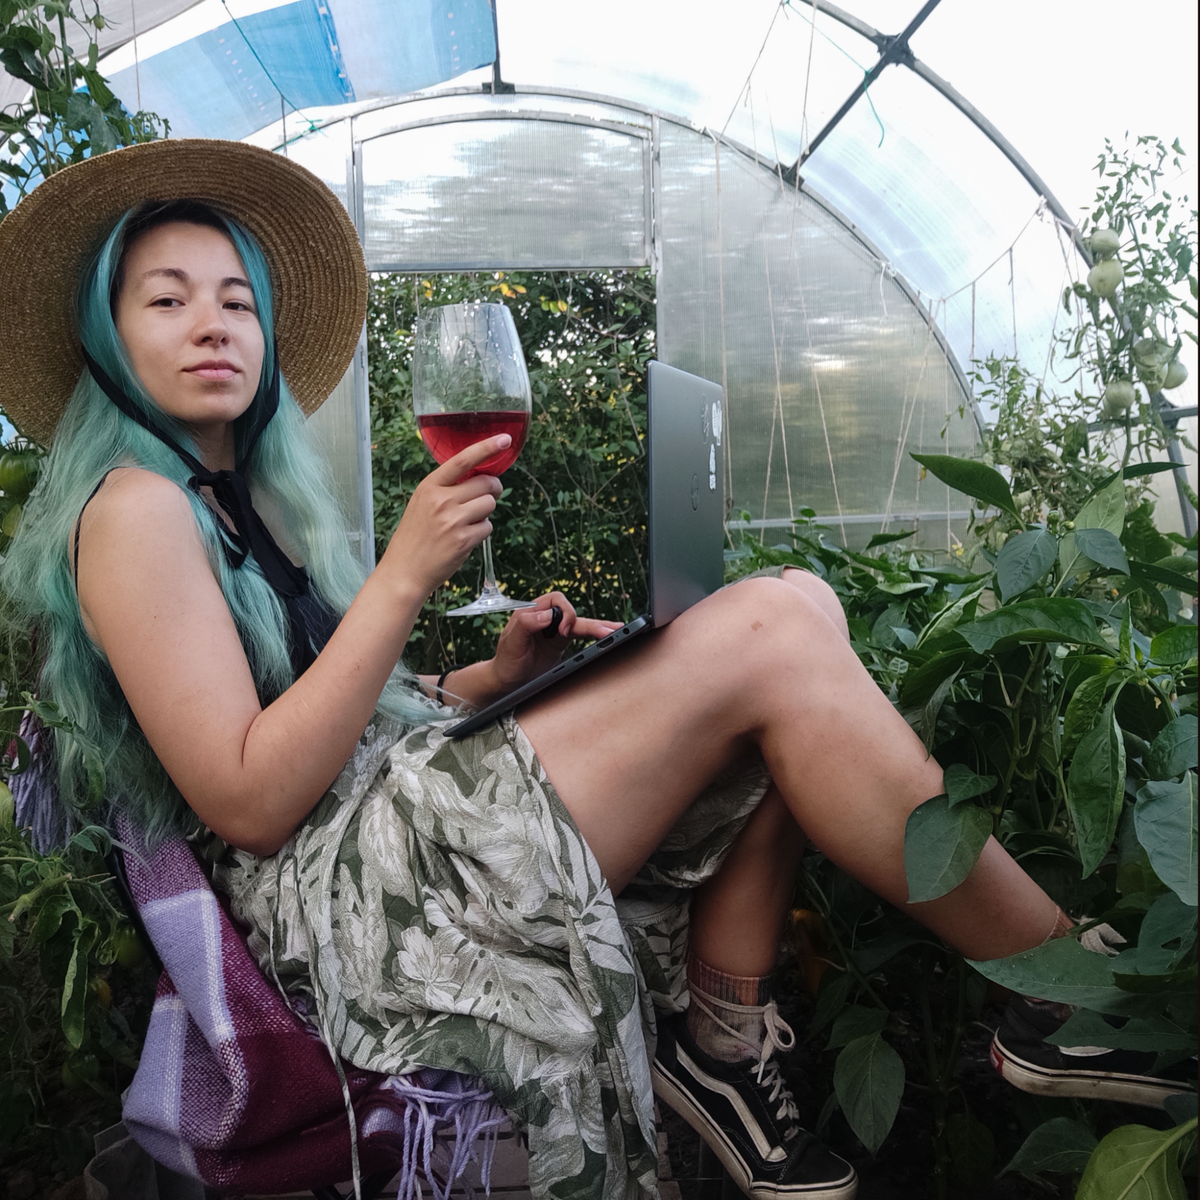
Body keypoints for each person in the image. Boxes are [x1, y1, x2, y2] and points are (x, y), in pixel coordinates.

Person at [0, 140, 1073, 1200]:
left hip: (386, 828)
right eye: (168, 301)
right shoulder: (135, 511)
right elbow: (249, 799)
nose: (212, 325)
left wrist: (493, 677)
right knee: (774, 632)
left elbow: (335, 715)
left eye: (237, 303)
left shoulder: (244, 502)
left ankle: (726, 1043)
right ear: (107, 339)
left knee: (803, 602)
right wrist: (401, 581)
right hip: (339, 911)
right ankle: (1074, 986)